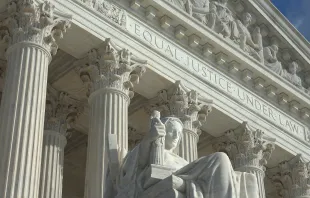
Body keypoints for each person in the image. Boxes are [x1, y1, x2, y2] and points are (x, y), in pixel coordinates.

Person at [115, 113, 259, 198]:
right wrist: (149, 139)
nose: (177, 135)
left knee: (249, 179)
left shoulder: (182, 161)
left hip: (189, 182)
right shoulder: (150, 151)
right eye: (172, 130)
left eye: (179, 133)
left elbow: (190, 181)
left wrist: (184, 185)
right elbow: (133, 169)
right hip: (163, 185)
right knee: (220, 158)